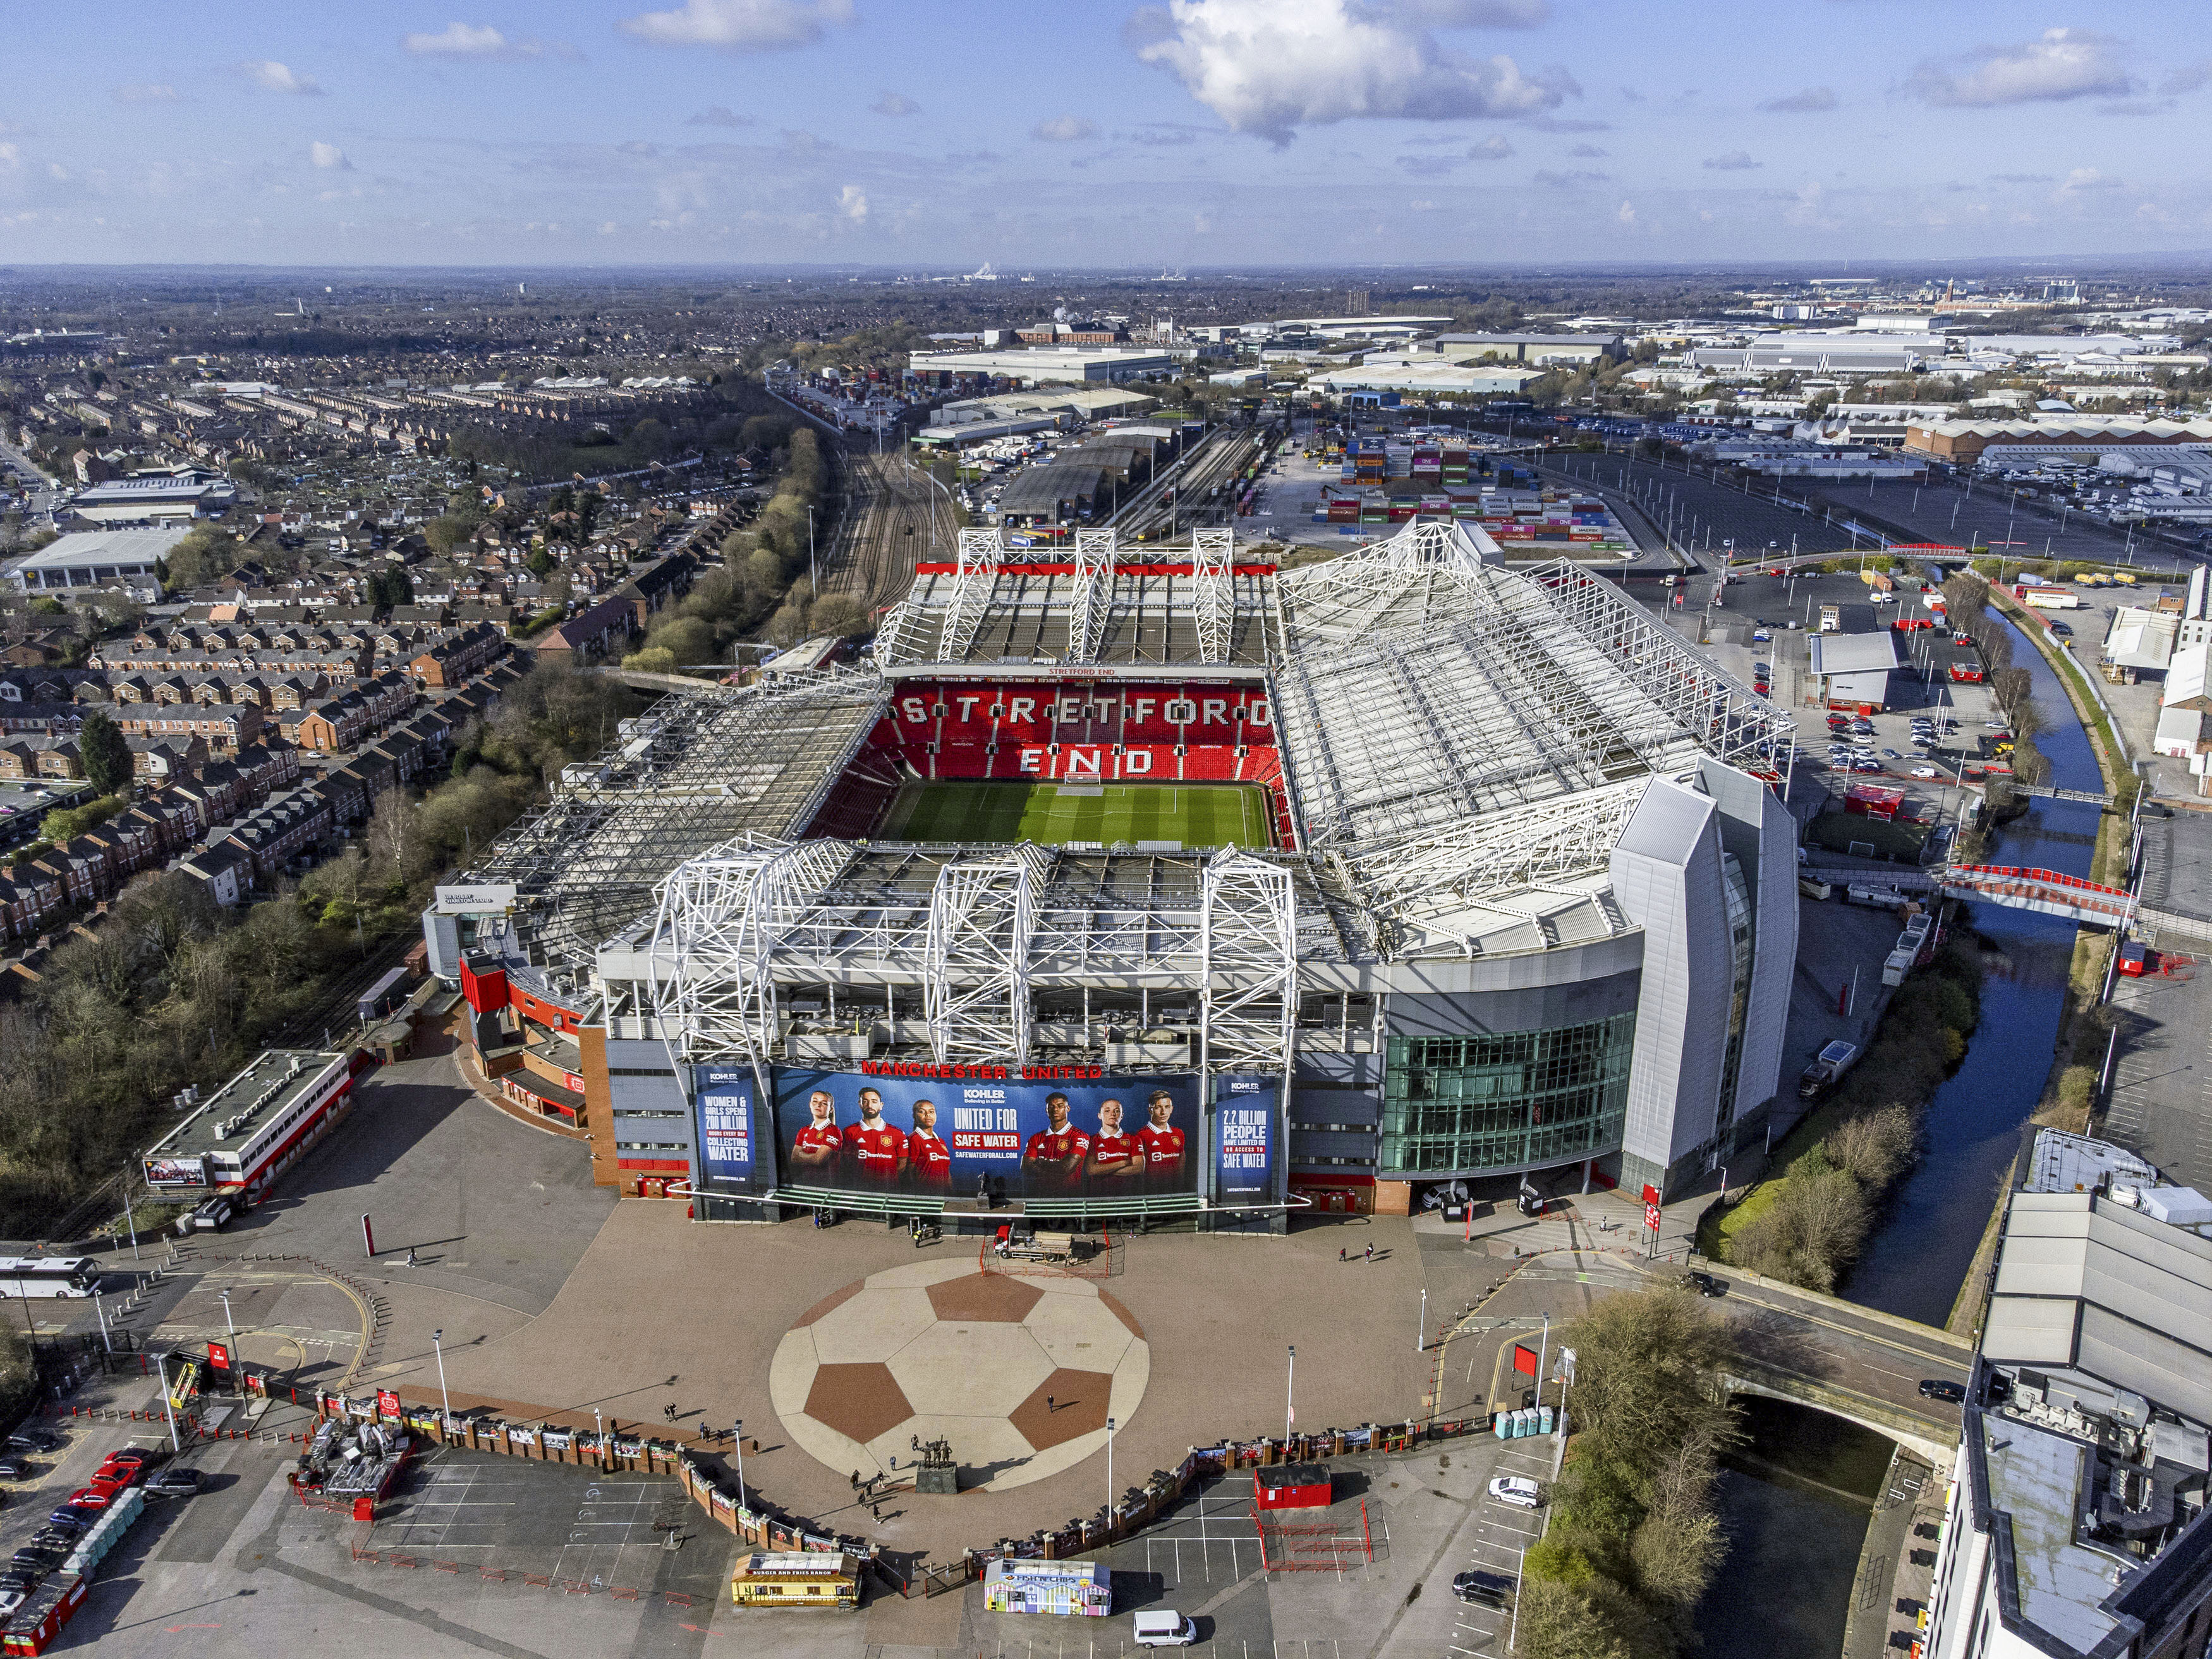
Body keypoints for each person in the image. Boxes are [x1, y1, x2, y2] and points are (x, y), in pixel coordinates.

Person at [1021, 1091, 1090, 1194]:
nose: (1055, 1109)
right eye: (1051, 1106)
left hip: (1070, 1196)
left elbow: (1066, 1168)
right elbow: (1026, 1168)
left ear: (1068, 1109)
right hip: (1041, 1196)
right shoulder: (1036, 1138)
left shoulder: (1079, 1135)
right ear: (1047, 1110)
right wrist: (1057, 1165)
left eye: (1060, 1106)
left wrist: (1040, 1162)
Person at [842, 1087, 906, 1185]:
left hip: (888, 1190)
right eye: (865, 1101)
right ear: (860, 1104)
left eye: (874, 1101)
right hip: (860, 1189)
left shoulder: (898, 1134)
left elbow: (902, 1164)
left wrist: (886, 1180)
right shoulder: (849, 1132)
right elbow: (845, 1163)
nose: (870, 1105)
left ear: (881, 1105)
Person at [1136, 1088, 1188, 1193]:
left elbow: (1181, 1156)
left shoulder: (1178, 1133)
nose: (1163, 1112)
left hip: (1175, 1190)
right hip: (1151, 1191)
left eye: (1167, 1107)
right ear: (1150, 1110)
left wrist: (1180, 1181)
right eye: (1158, 1107)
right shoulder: (1141, 1135)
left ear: (1172, 1109)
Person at [1086, 1098, 1140, 1189]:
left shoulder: (1134, 1139)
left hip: (1129, 1197)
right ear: (1100, 1115)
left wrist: (1102, 1169)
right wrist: (1123, 1163)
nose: (1112, 1114)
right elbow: (1091, 1170)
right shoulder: (1091, 1141)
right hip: (1099, 1198)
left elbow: (1138, 1169)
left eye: (1117, 1111)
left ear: (1122, 1116)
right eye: (1107, 1111)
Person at [904, 1098, 954, 1191]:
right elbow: (909, 1172)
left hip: (944, 1195)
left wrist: (951, 1192)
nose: (928, 1115)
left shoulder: (941, 1142)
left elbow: (947, 1172)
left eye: (931, 1112)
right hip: (925, 1196)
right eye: (922, 1112)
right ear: (914, 1115)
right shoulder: (914, 1139)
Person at [790, 1088, 842, 1173]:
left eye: (824, 1103)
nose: (818, 1105)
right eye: (815, 1101)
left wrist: (801, 1155)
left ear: (831, 1109)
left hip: (825, 1184)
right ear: (810, 1104)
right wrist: (811, 1156)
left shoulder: (834, 1131)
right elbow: (794, 1158)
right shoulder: (803, 1131)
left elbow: (818, 1160)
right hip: (804, 1181)